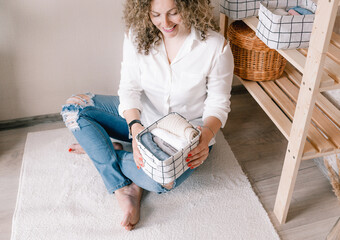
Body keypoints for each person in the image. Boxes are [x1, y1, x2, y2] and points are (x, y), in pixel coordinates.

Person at [61, 0, 234, 231]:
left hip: (184, 135)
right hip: (141, 121)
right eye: (156, 15)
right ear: (145, 11)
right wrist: (134, 128)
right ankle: (123, 186)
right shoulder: (136, 35)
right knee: (74, 109)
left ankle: (105, 150)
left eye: (174, 13)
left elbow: (218, 103)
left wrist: (206, 135)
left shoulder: (215, 46)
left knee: (162, 181)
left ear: (190, 6)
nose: (165, 23)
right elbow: (129, 89)